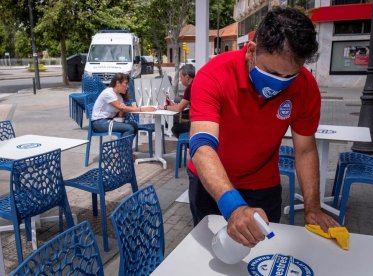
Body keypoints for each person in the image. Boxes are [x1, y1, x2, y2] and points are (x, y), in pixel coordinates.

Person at [187, 7, 339, 248]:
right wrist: (234, 206)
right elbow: (202, 146)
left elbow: (305, 150)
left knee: (264, 254)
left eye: (290, 75)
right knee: (209, 254)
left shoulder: (305, 86)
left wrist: (312, 208)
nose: (279, 84)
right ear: (251, 51)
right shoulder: (214, 75)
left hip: (262, 183)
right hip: (210, 183)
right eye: (272, 72)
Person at [91, 73, 156, 137]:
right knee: (129, 128)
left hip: (109, 120)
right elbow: (122, 108)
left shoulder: (119, 97)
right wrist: (141, 109)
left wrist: (121, 111)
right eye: (125, 83)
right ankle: (122, 147)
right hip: (99, 123)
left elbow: (121, 113)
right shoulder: (108, 92)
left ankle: (125, 147)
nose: (127, 87)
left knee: (134, 126)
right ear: (118, 83)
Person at [163, 64, 195, 138]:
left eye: (181, 77)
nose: (180, 80)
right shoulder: (198, 83)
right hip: (206, 121)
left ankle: (187, 145)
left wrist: (165, 107)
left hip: (196, 123)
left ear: (187, 77)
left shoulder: (190, 88)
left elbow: (179, 109)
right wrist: (173, 105)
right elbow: (182, 105)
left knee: (175, 129)